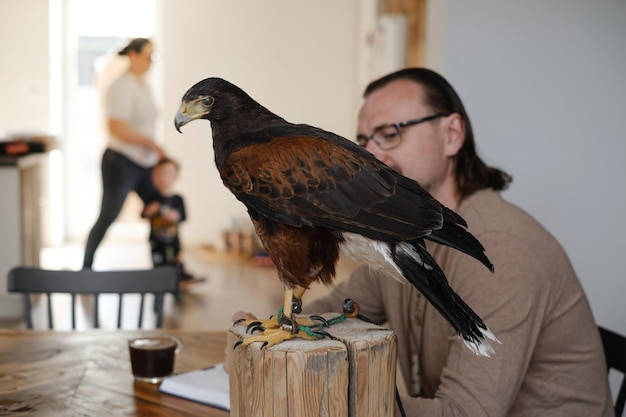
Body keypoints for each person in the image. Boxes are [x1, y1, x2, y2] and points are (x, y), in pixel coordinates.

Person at [231, 68, 614, 416]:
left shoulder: (503, 246)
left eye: (391, 133)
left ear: (451, 135)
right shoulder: (392, 230)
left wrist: (329, 399)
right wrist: (267, 335)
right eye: (363, 140)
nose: (372, 153)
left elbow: (465, 414)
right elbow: (337, 309)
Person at [83, 38, 165, 269]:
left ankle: (170, 269)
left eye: (153, 56)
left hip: (144, 163)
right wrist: (150, 143)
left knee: (162, 209)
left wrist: (152, 149)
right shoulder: (121, 86)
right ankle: (86, 269)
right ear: (133, 55)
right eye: (148, 56)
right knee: (108, 217)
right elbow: (116, 127)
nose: (151, 61)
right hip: (120, 162)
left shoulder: (144, 83)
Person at [142, 157, 198, 283]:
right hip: (156, 240)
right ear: (154, 176)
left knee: (176, 261)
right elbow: (143, 214)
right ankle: (161, 283)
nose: (163, 178)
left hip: (173, 240)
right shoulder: (152, 197)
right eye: (160, 174)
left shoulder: (178, 199)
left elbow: (183, 217)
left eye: (168, 174)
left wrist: (175, 215)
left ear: (175, 177)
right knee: (159, 264)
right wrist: (150, 210)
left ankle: (180, 279)